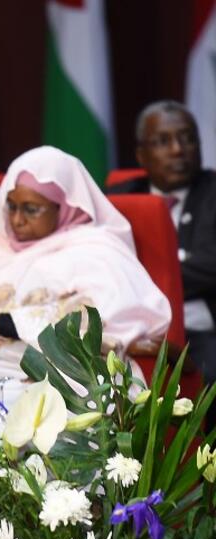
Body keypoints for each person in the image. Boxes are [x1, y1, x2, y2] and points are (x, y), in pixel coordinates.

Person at [0, 146, 170, 405]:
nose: (17, 219)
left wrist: (3, 323)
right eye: (11, 207)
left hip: (61, 384)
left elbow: (103, 323)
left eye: (31, 209)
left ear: (64, 207)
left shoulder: (97, 251)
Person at [107, 100, 216, 383]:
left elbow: (210, 266)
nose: (178, 149)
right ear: (142, 155)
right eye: (163, 141)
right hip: (131, 332)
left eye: (187, 138)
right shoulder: (119, 199)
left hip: (202, 331)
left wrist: (135, 279)